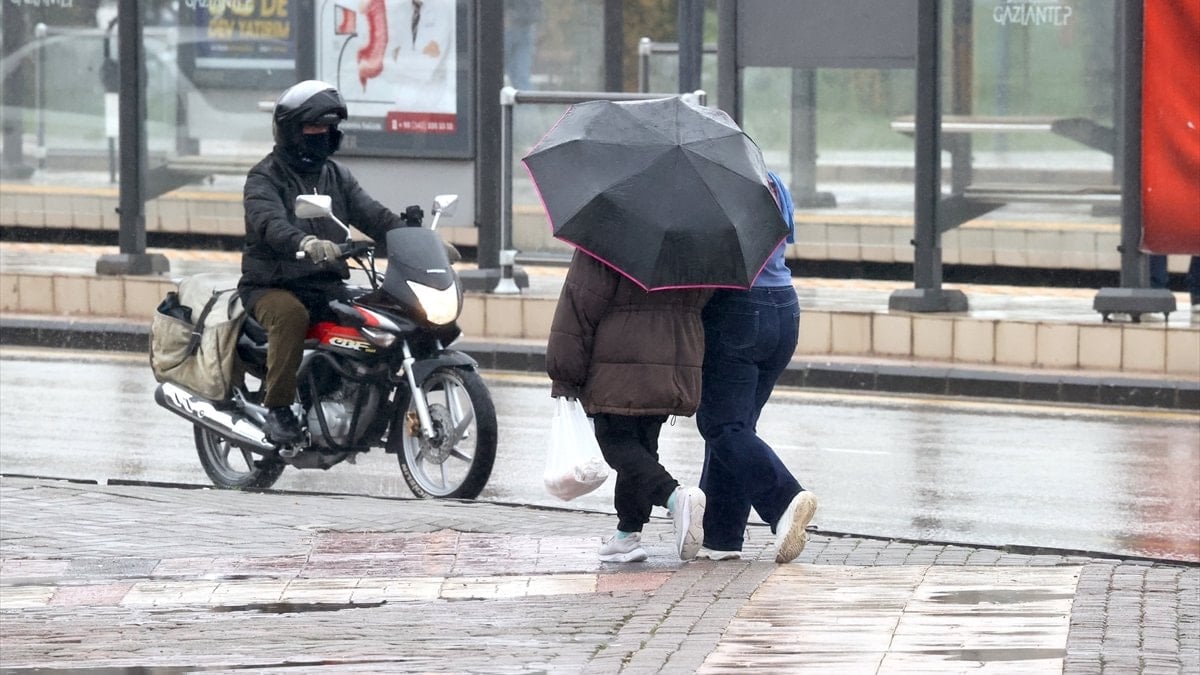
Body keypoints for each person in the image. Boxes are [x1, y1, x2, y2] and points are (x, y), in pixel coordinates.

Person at [238, 79, 423, 445]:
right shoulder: (264, 177)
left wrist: (418, 240)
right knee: (291, 316)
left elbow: (374, 216)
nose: (322, 134)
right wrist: (305, 241)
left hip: (325, 284)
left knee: (376, 315)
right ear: (291, 130)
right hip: (272, 285)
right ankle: (278, 408)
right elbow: (270, 223)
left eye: (328, 128)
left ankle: (354, 397)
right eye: (313, 127)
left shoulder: (336, 176)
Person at [546, 251, 711, 563]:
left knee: (614, 441)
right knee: (642, 448)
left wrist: (564, 374)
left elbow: (578, 307)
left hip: (618, 360)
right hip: (671, 360)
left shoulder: (605, 239)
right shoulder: (693, 242)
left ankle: (675, 498)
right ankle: (627, 535)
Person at [695, 171, 819, 564]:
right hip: (784, 306)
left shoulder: (720, 188)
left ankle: (784, 500)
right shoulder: (774, 180)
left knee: (721, 424)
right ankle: (721, 538)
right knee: (736, 426)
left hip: (740, 310)